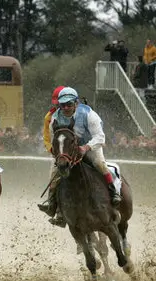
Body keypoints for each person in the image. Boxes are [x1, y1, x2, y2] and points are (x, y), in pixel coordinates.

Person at [38, 86, 121, 222]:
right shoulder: (54, 118)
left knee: (100, 164)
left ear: (76, 103)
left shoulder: (89, 114)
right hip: (68, 151)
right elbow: (54, 138)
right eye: (62, 105)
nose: (65, 108)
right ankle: (53, 206)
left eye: (69, 104)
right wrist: (59, 154)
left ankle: (113, 193)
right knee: (54, 174)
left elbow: (100, 137)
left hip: (90, 146)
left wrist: (86, 147)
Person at [38, 86, 66, 225]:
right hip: (58, 153)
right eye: (56, 102)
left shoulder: (79, 112)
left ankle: (111, 193)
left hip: (77, 150)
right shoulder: (49, 117)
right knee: (53, 179)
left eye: (58, 102)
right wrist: (53, 151)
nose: (57, 105)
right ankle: (52, 206)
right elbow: (47, 138)